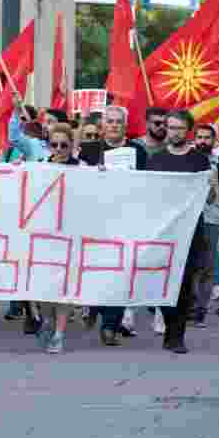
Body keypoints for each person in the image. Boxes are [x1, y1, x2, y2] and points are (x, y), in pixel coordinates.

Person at [145, 111, 214, 354]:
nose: (174, 132)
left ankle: (177, 335)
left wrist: (211, 185)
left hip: (190, 230)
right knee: (160, 281)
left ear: (188, 131)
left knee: (184, 283)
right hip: (163, 231)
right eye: (170, 127)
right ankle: (169, 322)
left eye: (179, 128)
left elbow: (210, 196)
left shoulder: (199, 160)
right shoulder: (156, 160)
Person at [77, 105, 146, 344]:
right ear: (102, 126)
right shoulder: (88, 150)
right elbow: (77, 181)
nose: (114, 125)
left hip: (126, 218)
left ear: (125, 126)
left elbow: (148, 182)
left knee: (121, 271)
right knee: (97, 270)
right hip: (95, 219)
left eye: (119, 122)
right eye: (110, 121)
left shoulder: (137, 150)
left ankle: (110, 325)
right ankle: (96, 307)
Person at [35, 122, 80, 353]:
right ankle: (47, 320)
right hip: (44, 234)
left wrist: (102, 176)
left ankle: (59, 334)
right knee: (43, 285)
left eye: (64, 145)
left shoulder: (82, 167)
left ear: (71, 145)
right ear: (49, 145)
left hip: (70, 234)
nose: (59, 149)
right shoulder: (40, 166)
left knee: (64, 286)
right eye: (55, 144)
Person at [190, 124, 219, 329]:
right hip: (187, 219)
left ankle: (200, 311)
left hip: (211, 219)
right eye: (199, 137)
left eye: (207, 137)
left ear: (214, 140)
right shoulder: (186, 158)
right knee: (190, 267)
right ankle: (188, 307)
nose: (202, 141)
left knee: (207, 267)